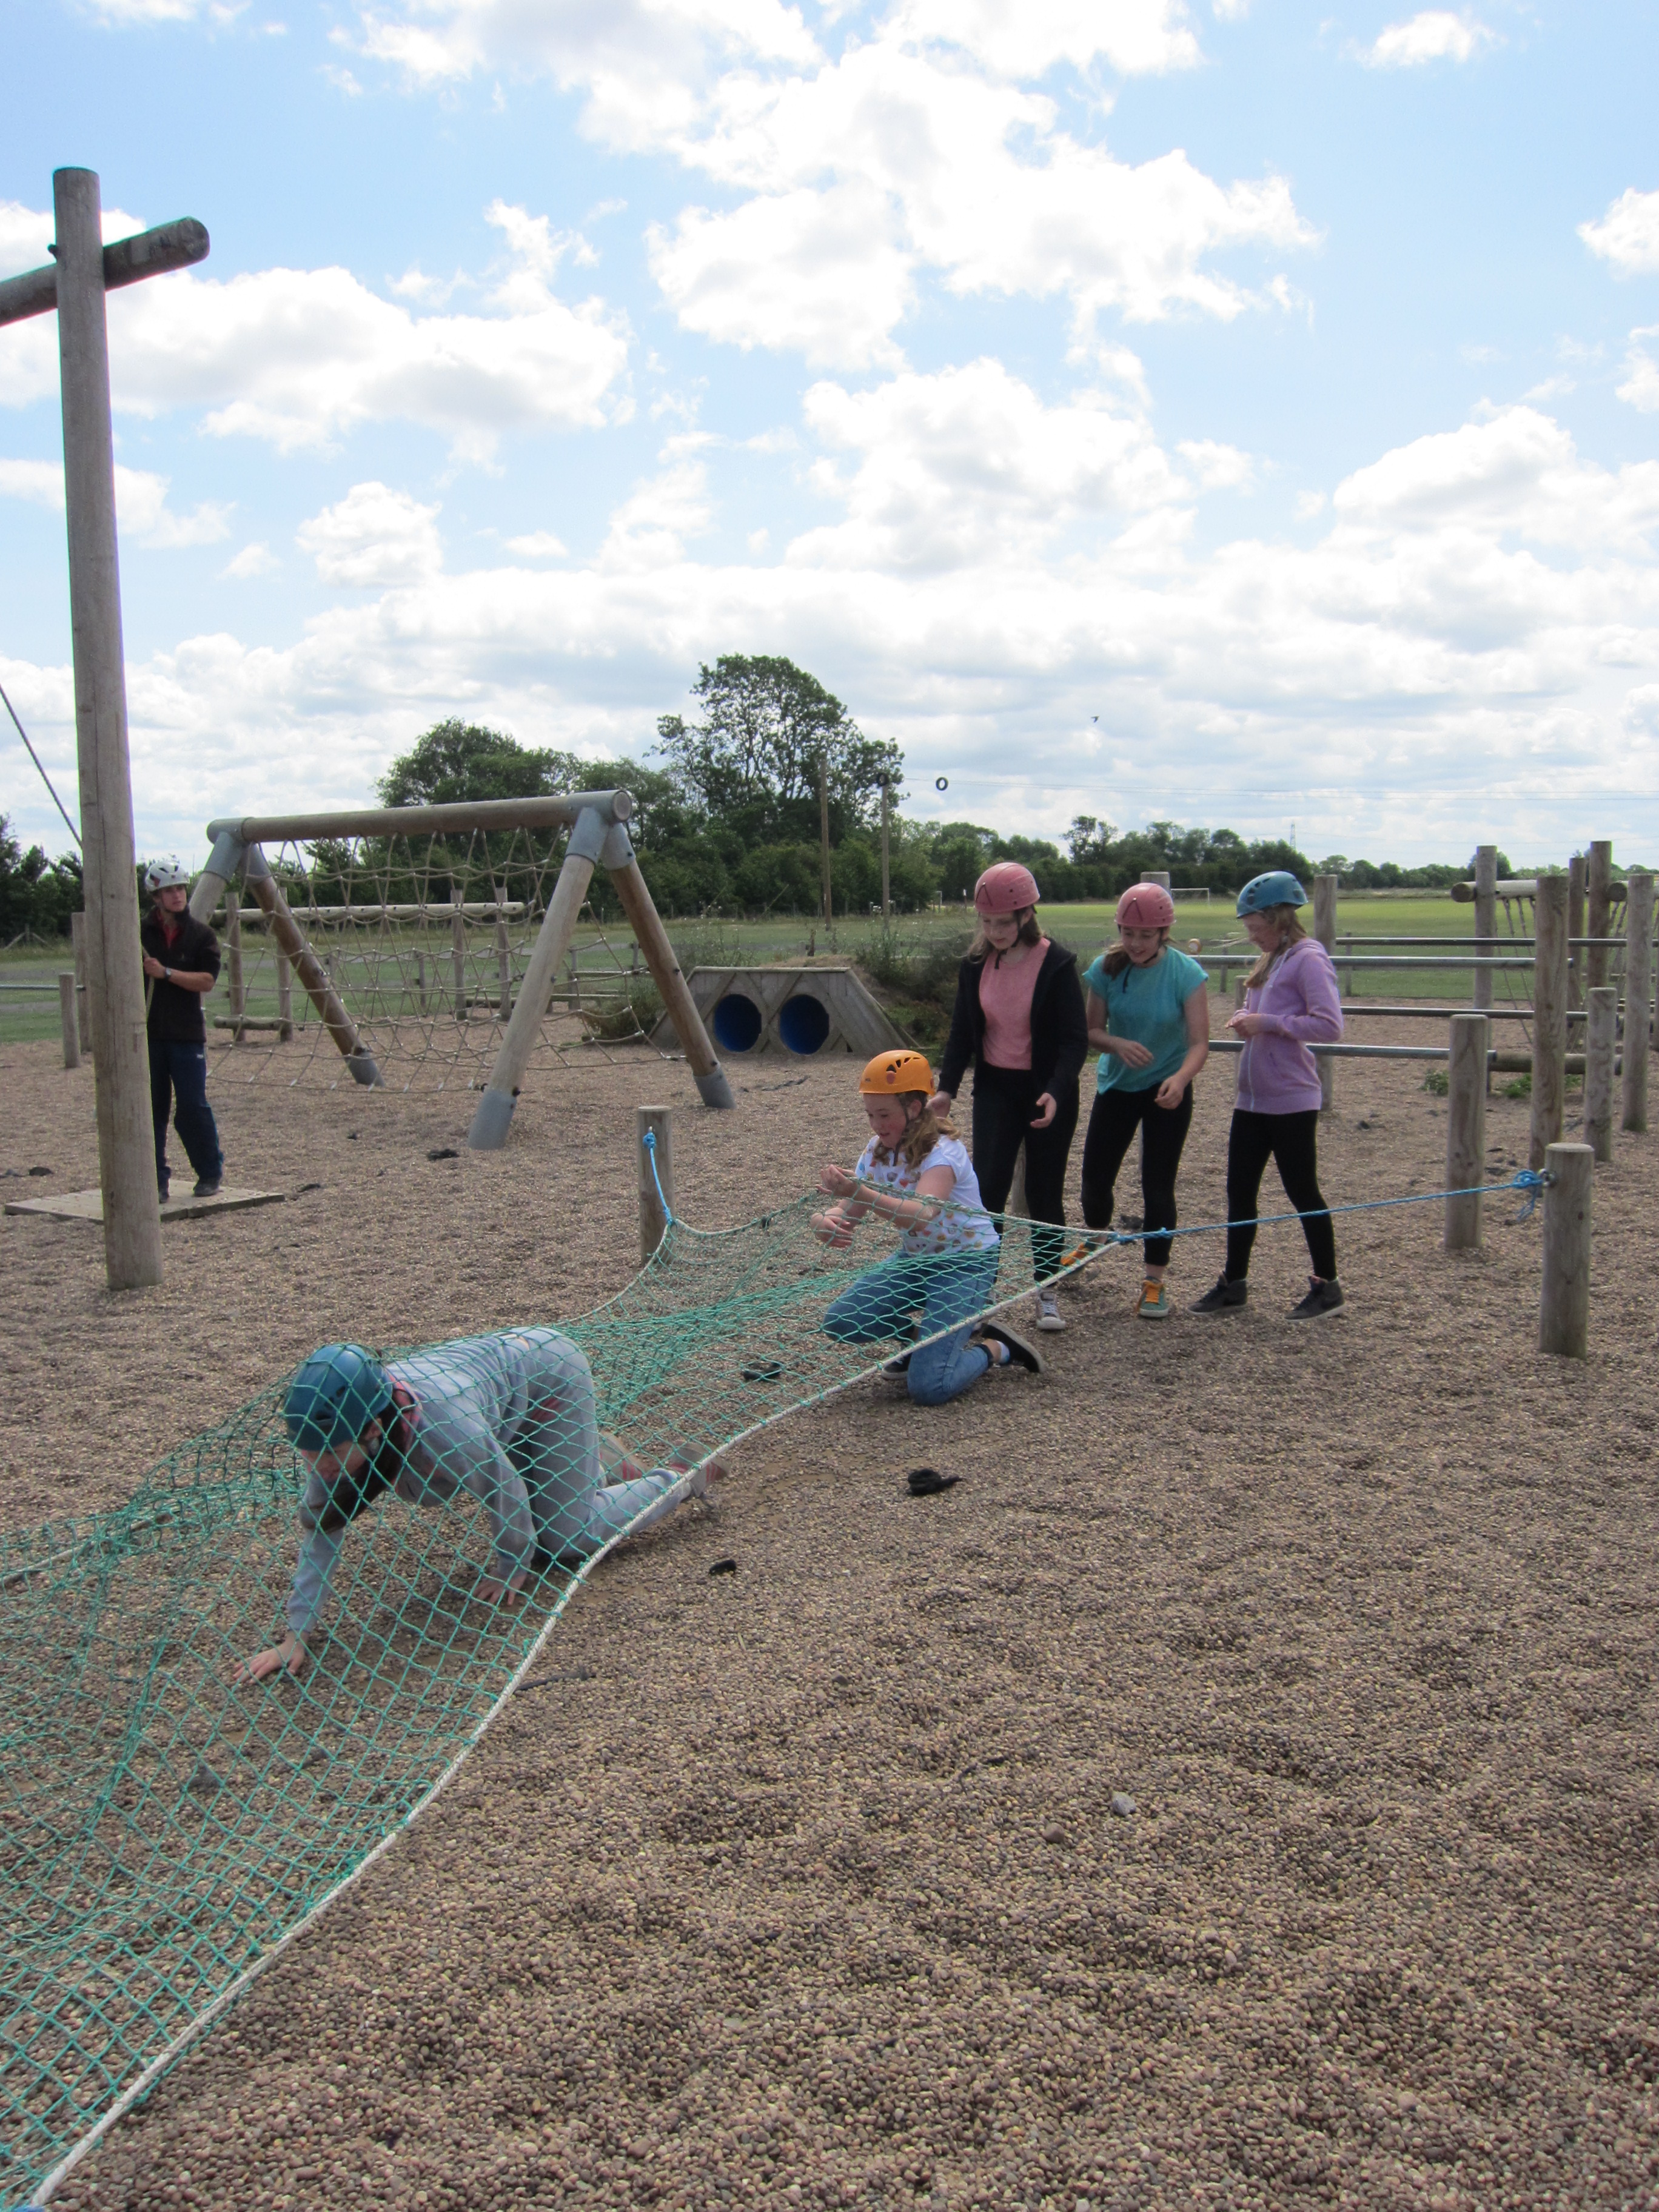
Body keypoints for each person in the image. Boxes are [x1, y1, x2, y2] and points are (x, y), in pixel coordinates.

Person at [234, 1332, 716, 1683]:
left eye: (333, 1454)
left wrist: (512, 1563)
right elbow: (323, 1526)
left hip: (550, 1382)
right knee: (534, 1510)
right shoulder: (332, 1441)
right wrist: (296, 1634)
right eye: (308, 1454)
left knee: (563, 1538)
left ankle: (682, 1474)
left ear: (374, 1429)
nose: (319, 1467)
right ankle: (594, 1461)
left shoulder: (445, 1428)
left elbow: (503, 1487)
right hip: (504, 1409)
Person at [814, 1048, 1044, 1401]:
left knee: (929, 1388)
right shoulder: (876, 1150)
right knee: (842, 1321)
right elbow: (847, 1212)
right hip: (916, 1261)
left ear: (913, 1108)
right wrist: (823, 1222)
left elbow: (920, 1215)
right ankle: (920, 1343)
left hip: (966, 1264)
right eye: (870, 1114)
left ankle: (997, 1349)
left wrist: (860, 1192)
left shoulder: (943, 1152)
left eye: (884, 1115)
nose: (876, 1125)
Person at [930, 862, 1087, 1333]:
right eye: (986, 922)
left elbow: (1074, 1041)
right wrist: (946, 1089)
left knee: (1043, 1193)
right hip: (996, 1089)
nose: (994, 931)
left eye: (1003, 922)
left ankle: (1047, 1291)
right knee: (988, 1191)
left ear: (1026, 915)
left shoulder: (1057, 964)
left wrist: (1056, 1091)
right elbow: (962, 1032)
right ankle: (982, 1289)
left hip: (1046, 1092)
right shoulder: (974, 965)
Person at [1193, 871, 1346, 1319]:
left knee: (1302, 1191)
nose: (1250, 934)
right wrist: (1248, 1017)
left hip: (1291, 1099)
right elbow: (1270, 1012)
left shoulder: (1308, 959)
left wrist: (1269, 1024)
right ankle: (1234, 1282)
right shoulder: (1272, 959)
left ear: (1277, 918)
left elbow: (1330, 1025)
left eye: (1254, 926)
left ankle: (1328, 1285)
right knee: (1240, 1192)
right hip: (1252, 1099)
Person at [1079, 883, 1211, 1319]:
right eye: (1128, 933)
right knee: (1095, 1181)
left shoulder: (1186, 973)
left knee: (1157, 1186)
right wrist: (1117, 1044)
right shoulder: (1106, 968)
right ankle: (1096, 1237)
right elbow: (1091, 1031)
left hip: (1166, 1090)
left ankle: (1154, 1281)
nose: (1135, 943)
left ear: (1164, 933)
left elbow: (1199, 1043)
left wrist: (1181, 1078)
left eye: (1146, 935)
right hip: (1117, 1086)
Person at [139, 858, 224, 1201]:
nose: (177, 895)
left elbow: (206, 981)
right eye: (169, 890)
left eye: (180, 889)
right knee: (151, 1109)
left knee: (192, 1106)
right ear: (155, 897)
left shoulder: (202, 935)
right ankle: (155, 1179)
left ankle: (210, 1172)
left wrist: (167, 973)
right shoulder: (138, 934)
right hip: (149, 1034)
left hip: (186, 1035)